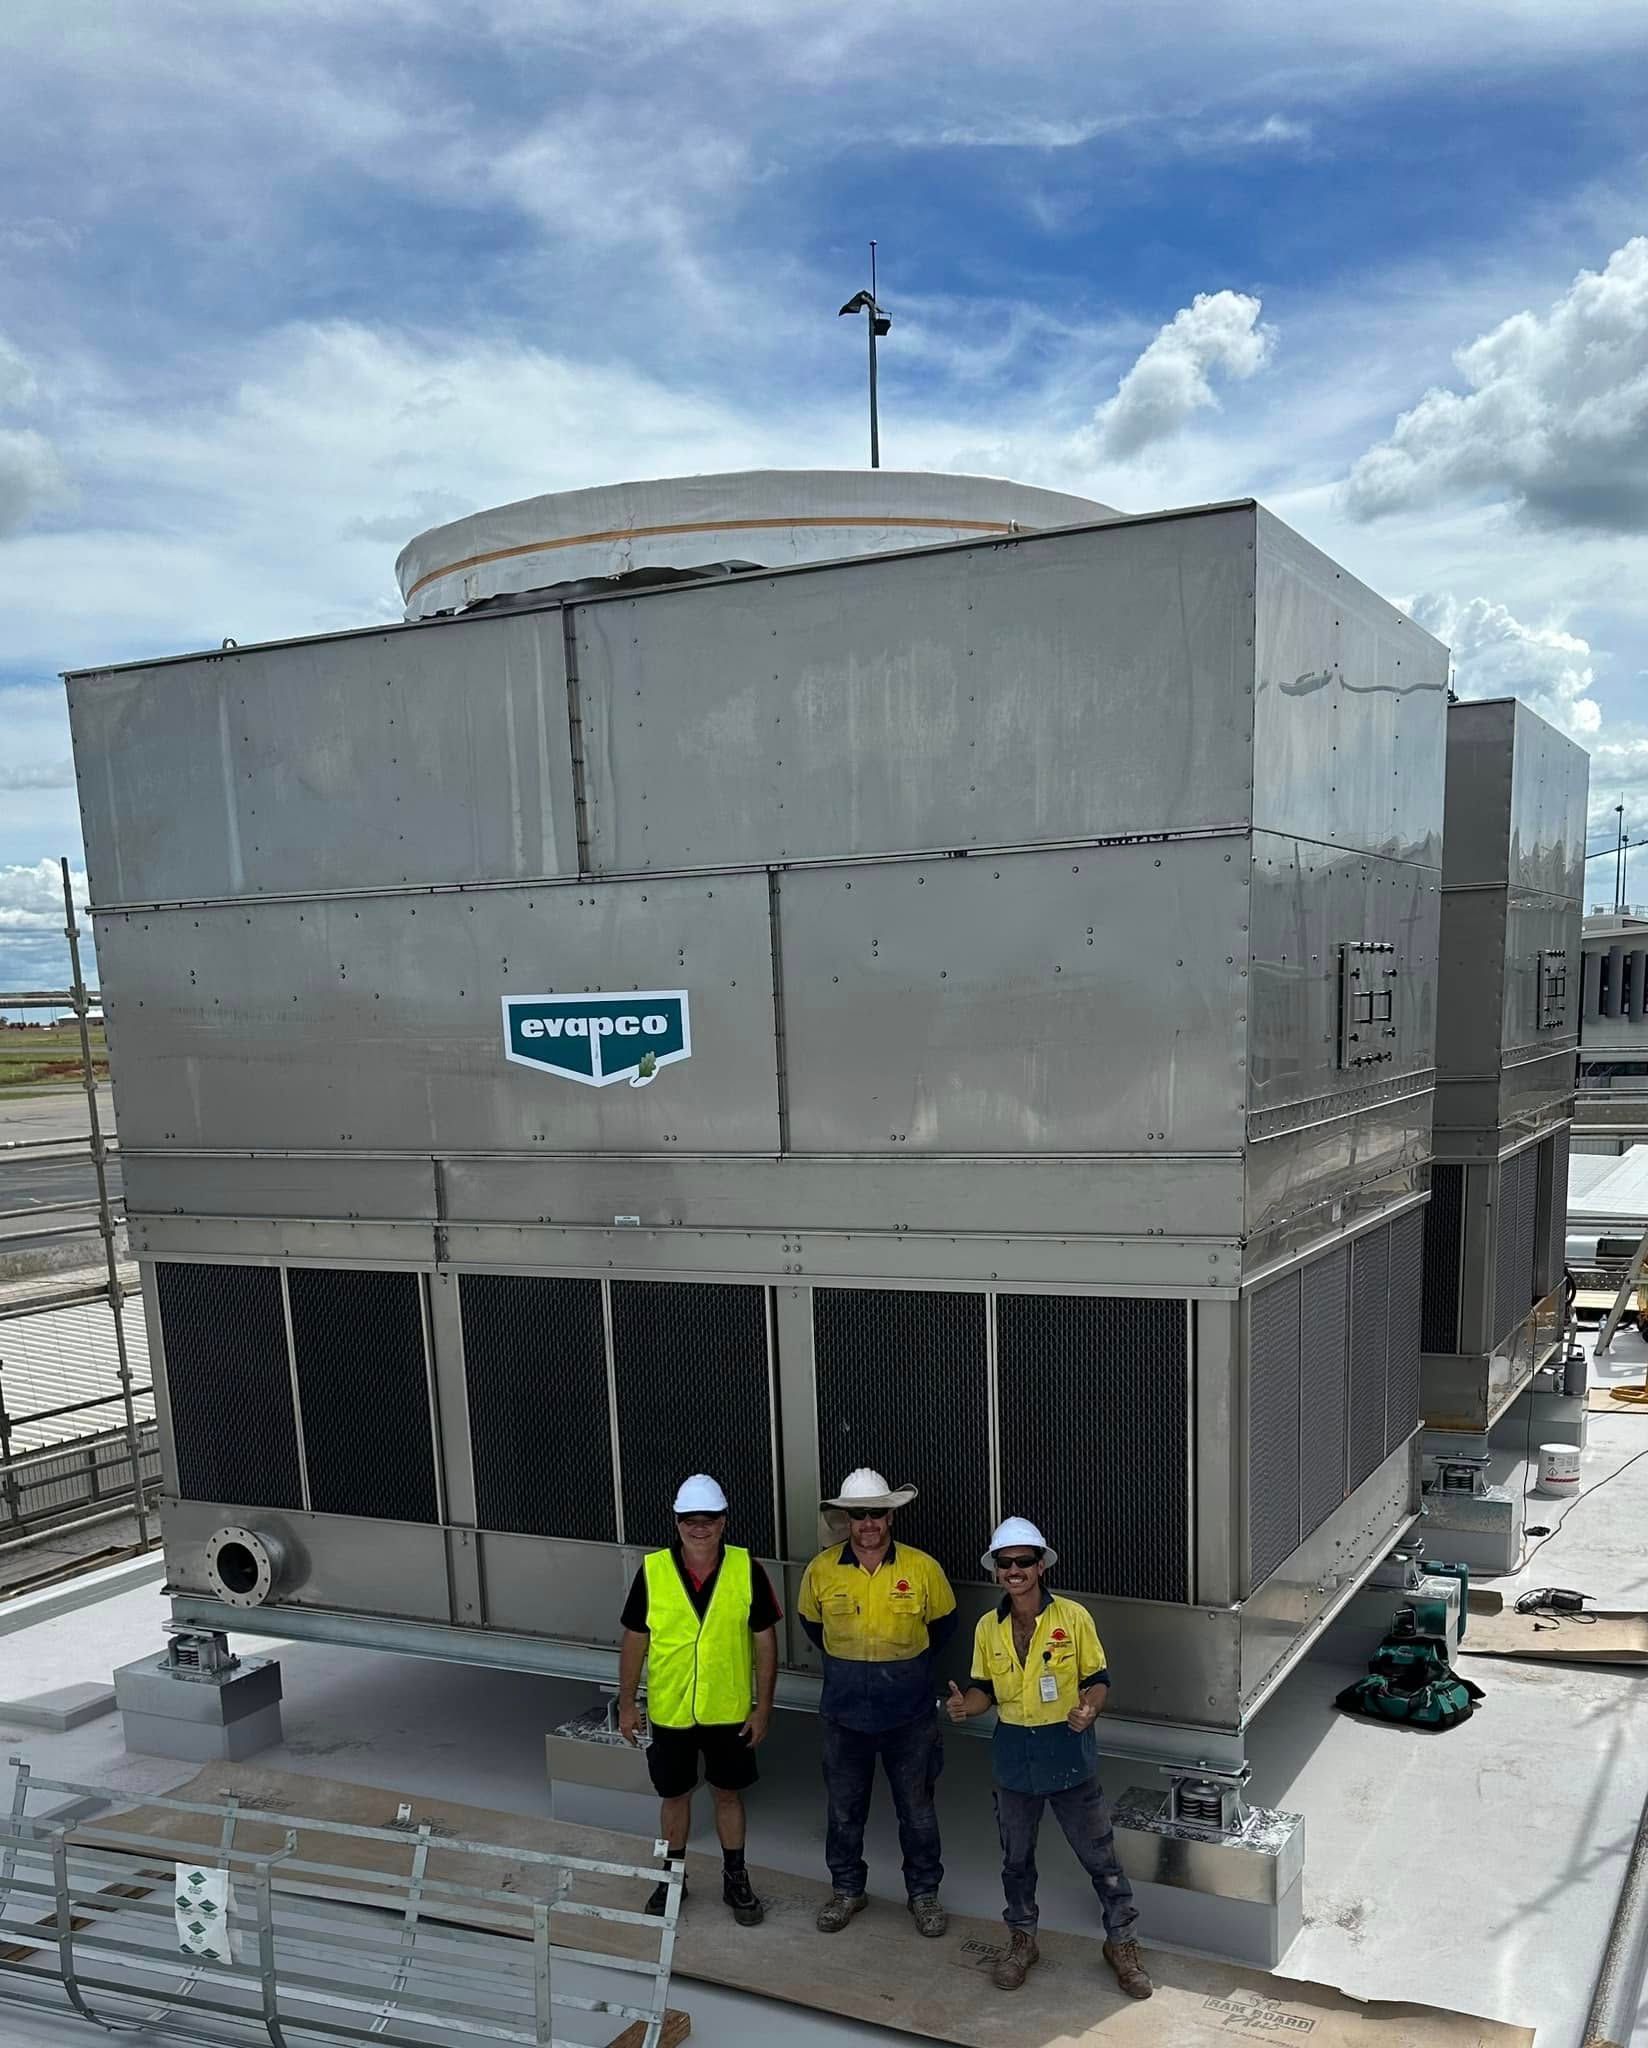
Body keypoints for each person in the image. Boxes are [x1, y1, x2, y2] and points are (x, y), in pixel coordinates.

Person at [945, 1515, 1152, 2000]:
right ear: (996, 1570)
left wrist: (1089, 1709)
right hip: (1015, 1758)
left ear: (1040, 1566)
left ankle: (1122, 1943)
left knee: (1100, 1858)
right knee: (1016, 1861)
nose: (1014, 1570)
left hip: (1068, 1754)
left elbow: (1099, 1679)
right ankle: (1022, 1941)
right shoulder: (987, 1628)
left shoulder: (1073, 1619)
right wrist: (963, 1707)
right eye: (1005, 1563)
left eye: (1023, 1562)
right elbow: (983, 1692)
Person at [798, 1467, 957, 1938]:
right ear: (846, 1519)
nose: (868, 1523)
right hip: (844, 1717)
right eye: (859, 1515)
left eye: (876, 1514)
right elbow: (813, 1628)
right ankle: (847, 1890)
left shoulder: (922, 1569)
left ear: (890, 1518)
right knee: (844, 1811)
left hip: (909, 1718)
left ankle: (924, 1895)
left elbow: (943, 1627)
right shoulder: (821, 1571)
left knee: (918, 1811)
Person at [617, 1473, 781, 1927]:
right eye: (691, 1519)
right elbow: (635, 1639)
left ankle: (735, 1877)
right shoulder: (653, 1571)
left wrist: (762, 1707)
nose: (700, 1527)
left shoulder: (747, 1569)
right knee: (674, 1795)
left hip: (728, 1710)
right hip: (671, 1710)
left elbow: (765, 1640)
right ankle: (672, 1879)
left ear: (724, 1522)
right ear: (677, 1522)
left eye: (709, 1519)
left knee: (728, 1794)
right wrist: (627, 1703)